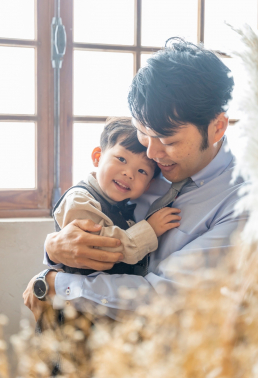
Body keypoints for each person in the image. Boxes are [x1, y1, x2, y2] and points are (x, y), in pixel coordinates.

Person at [23, 38, 247, 320]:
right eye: (144, 133)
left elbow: (159, 297)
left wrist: (54, 283)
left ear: (217, 127)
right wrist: (53, 248)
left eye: (167, 140)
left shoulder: (242, 207)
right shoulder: (142, 168)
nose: (152, 153)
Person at [52, 116, 181, 275]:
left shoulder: (123, 204)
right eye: (121, 159)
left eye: (142, 171)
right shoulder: (79, 199)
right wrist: (150, 230)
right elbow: (98, 248)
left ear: (148, 185)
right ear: (97, 157)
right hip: (81, 294)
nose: (129, 174)